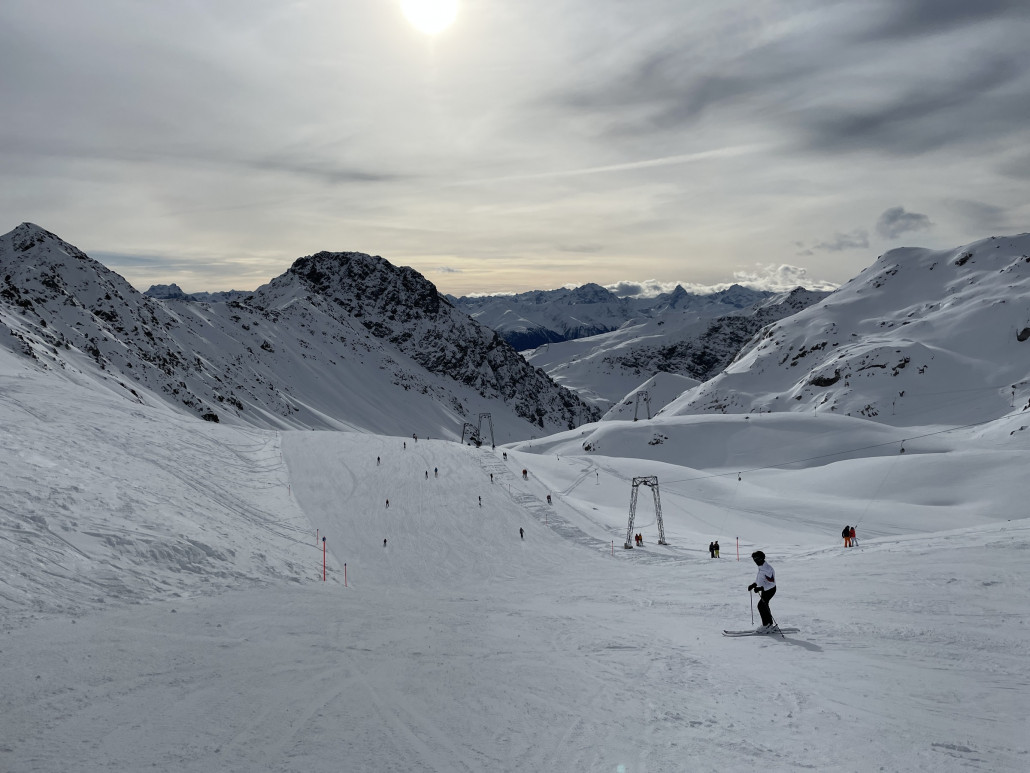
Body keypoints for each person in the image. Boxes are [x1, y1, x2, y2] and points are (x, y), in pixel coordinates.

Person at [747, 550, 777, 632]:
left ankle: (766, 625)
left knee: (761, 605)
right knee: (764, 605)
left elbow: (772, 584)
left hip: (770, 590)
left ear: (761, 559)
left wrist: (761, 588)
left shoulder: (767, 569)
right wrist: (754, 584)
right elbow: (760, 579)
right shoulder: (761, 567)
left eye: (756, 559)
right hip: (765, 589)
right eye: (754, 559)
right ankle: (769, 624)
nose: (755, 561)